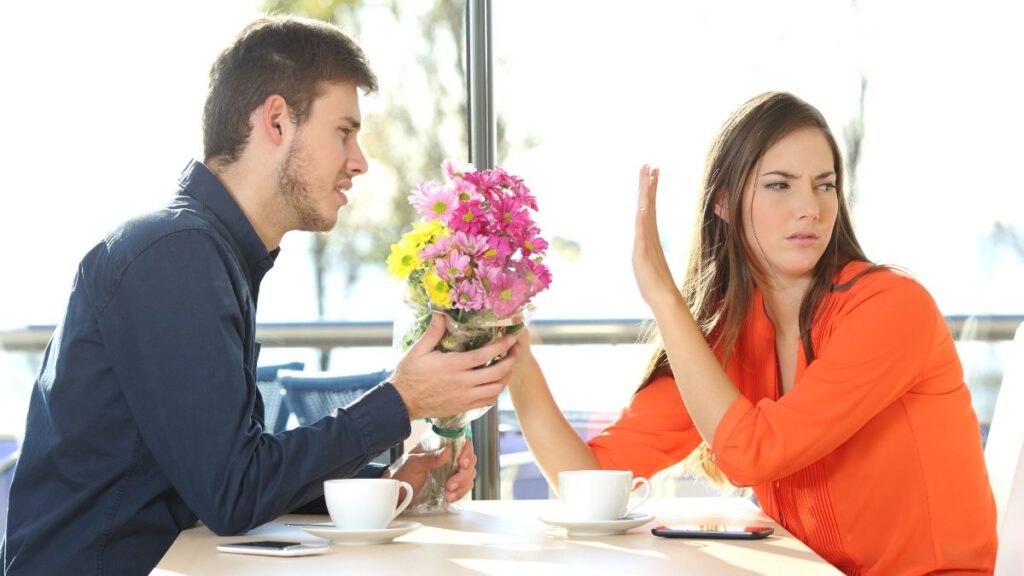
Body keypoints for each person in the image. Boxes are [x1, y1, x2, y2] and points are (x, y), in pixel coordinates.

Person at [1, 16, 519, 575]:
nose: (360, 161)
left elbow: (222, 471)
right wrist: (400, 399)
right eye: (344, 131)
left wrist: (388, 488)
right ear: (276, 120)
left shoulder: (206, 253)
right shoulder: (175, 256)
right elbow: (233, 494)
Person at [509, 92, 997, 575]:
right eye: (780, 185)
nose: (810, 208)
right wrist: (515, 357)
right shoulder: (733, 336)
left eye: (824, 185)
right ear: (723, 200)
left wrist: (664, 297)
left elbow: (752, 455)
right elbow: (590, 483)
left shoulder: (890, 308)